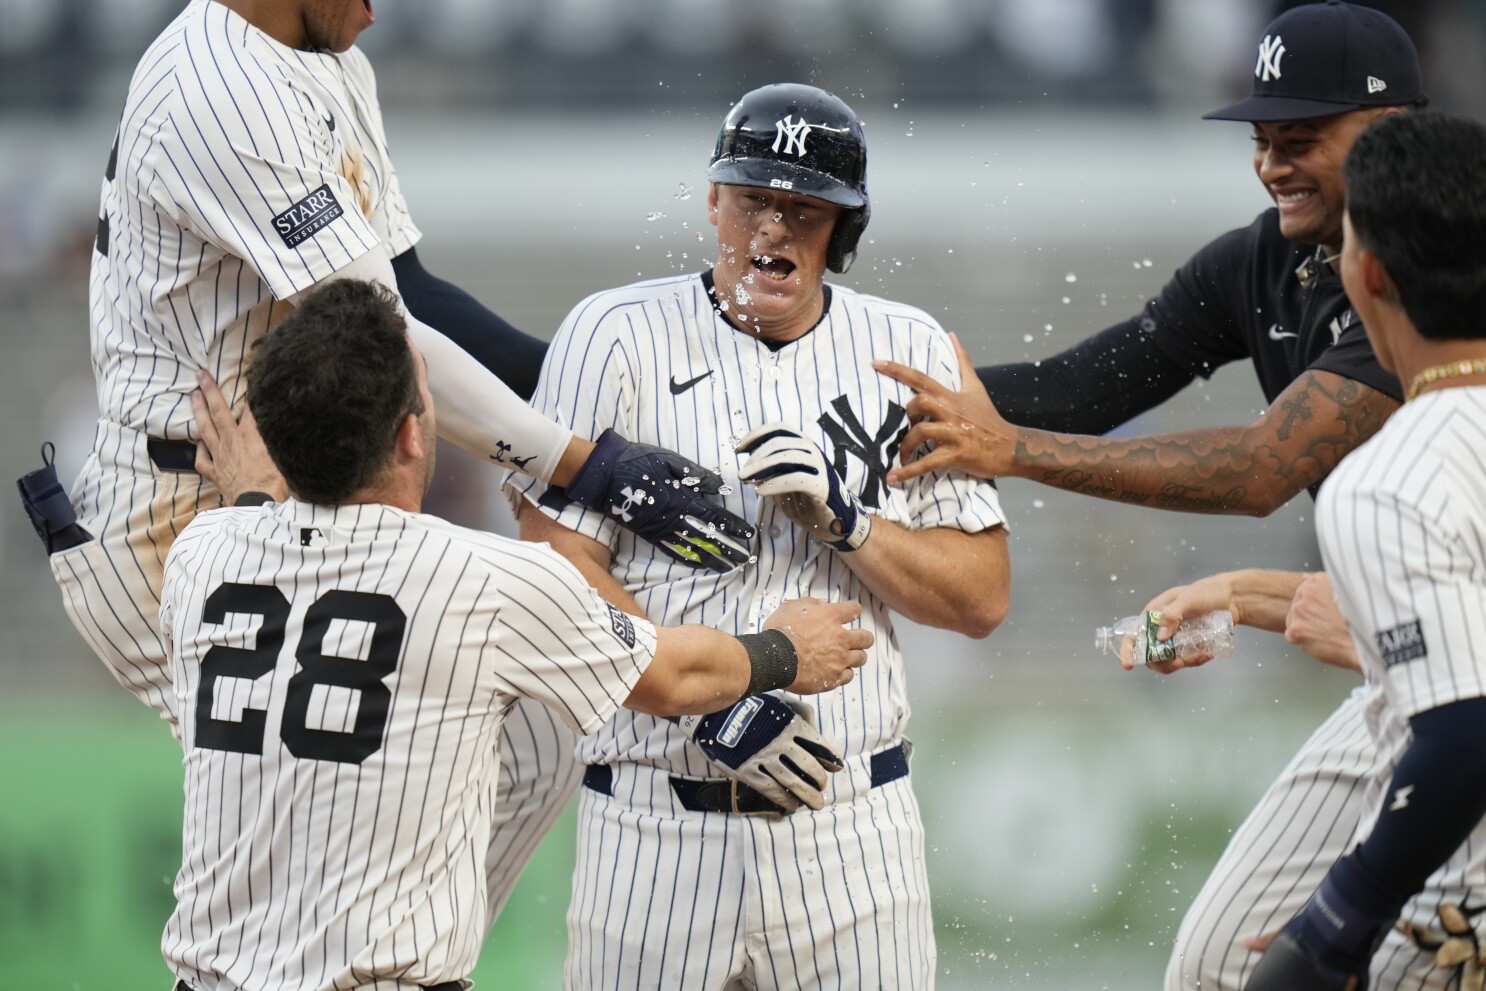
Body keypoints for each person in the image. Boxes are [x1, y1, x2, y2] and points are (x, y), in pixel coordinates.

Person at [19, 0, 756, 929]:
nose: (381, 6)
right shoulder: (219, 86)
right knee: (322, 829)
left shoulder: (322, 56)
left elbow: (413, 290)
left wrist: (600, 402)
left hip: (280, 488)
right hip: (173, 516)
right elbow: (389, 335)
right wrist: (585, 457)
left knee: (511, 751)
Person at [874, 3, 1425, 987]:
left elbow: (1264, 468)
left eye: (1301, 139)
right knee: (1217, 964)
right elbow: (1090, 383)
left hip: (1461, 680)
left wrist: (1012, 452)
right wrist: (854, 403)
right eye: (1260, 139)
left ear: (1387, 133)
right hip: (1409, 674)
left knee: (1401, 959)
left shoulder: (1438, 270)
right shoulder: (1266, 258)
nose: (1270, 163)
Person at [157, 277, 870, 991]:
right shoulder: (487, 578)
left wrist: (253, 493)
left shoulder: (203, 551)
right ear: (410, 432)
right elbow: (671, 679)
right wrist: (782, 650)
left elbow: (260, 526)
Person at [506, 82, 1010, 989]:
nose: (772, 231)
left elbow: (981, 596)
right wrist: (720, 699)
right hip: (654, 825)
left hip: (851, 821)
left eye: (803, 209)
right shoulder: (610, 332)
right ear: (712, 202)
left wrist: (848, 522)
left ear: (844, 229)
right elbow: (555, 562)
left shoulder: (909, 346)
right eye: (753, 201)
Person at [1247, 109, 1486, 990]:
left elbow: (1465, 734)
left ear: (1368, 270)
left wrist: (1338, 919)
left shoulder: (1387, 474)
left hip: (1459, 916)